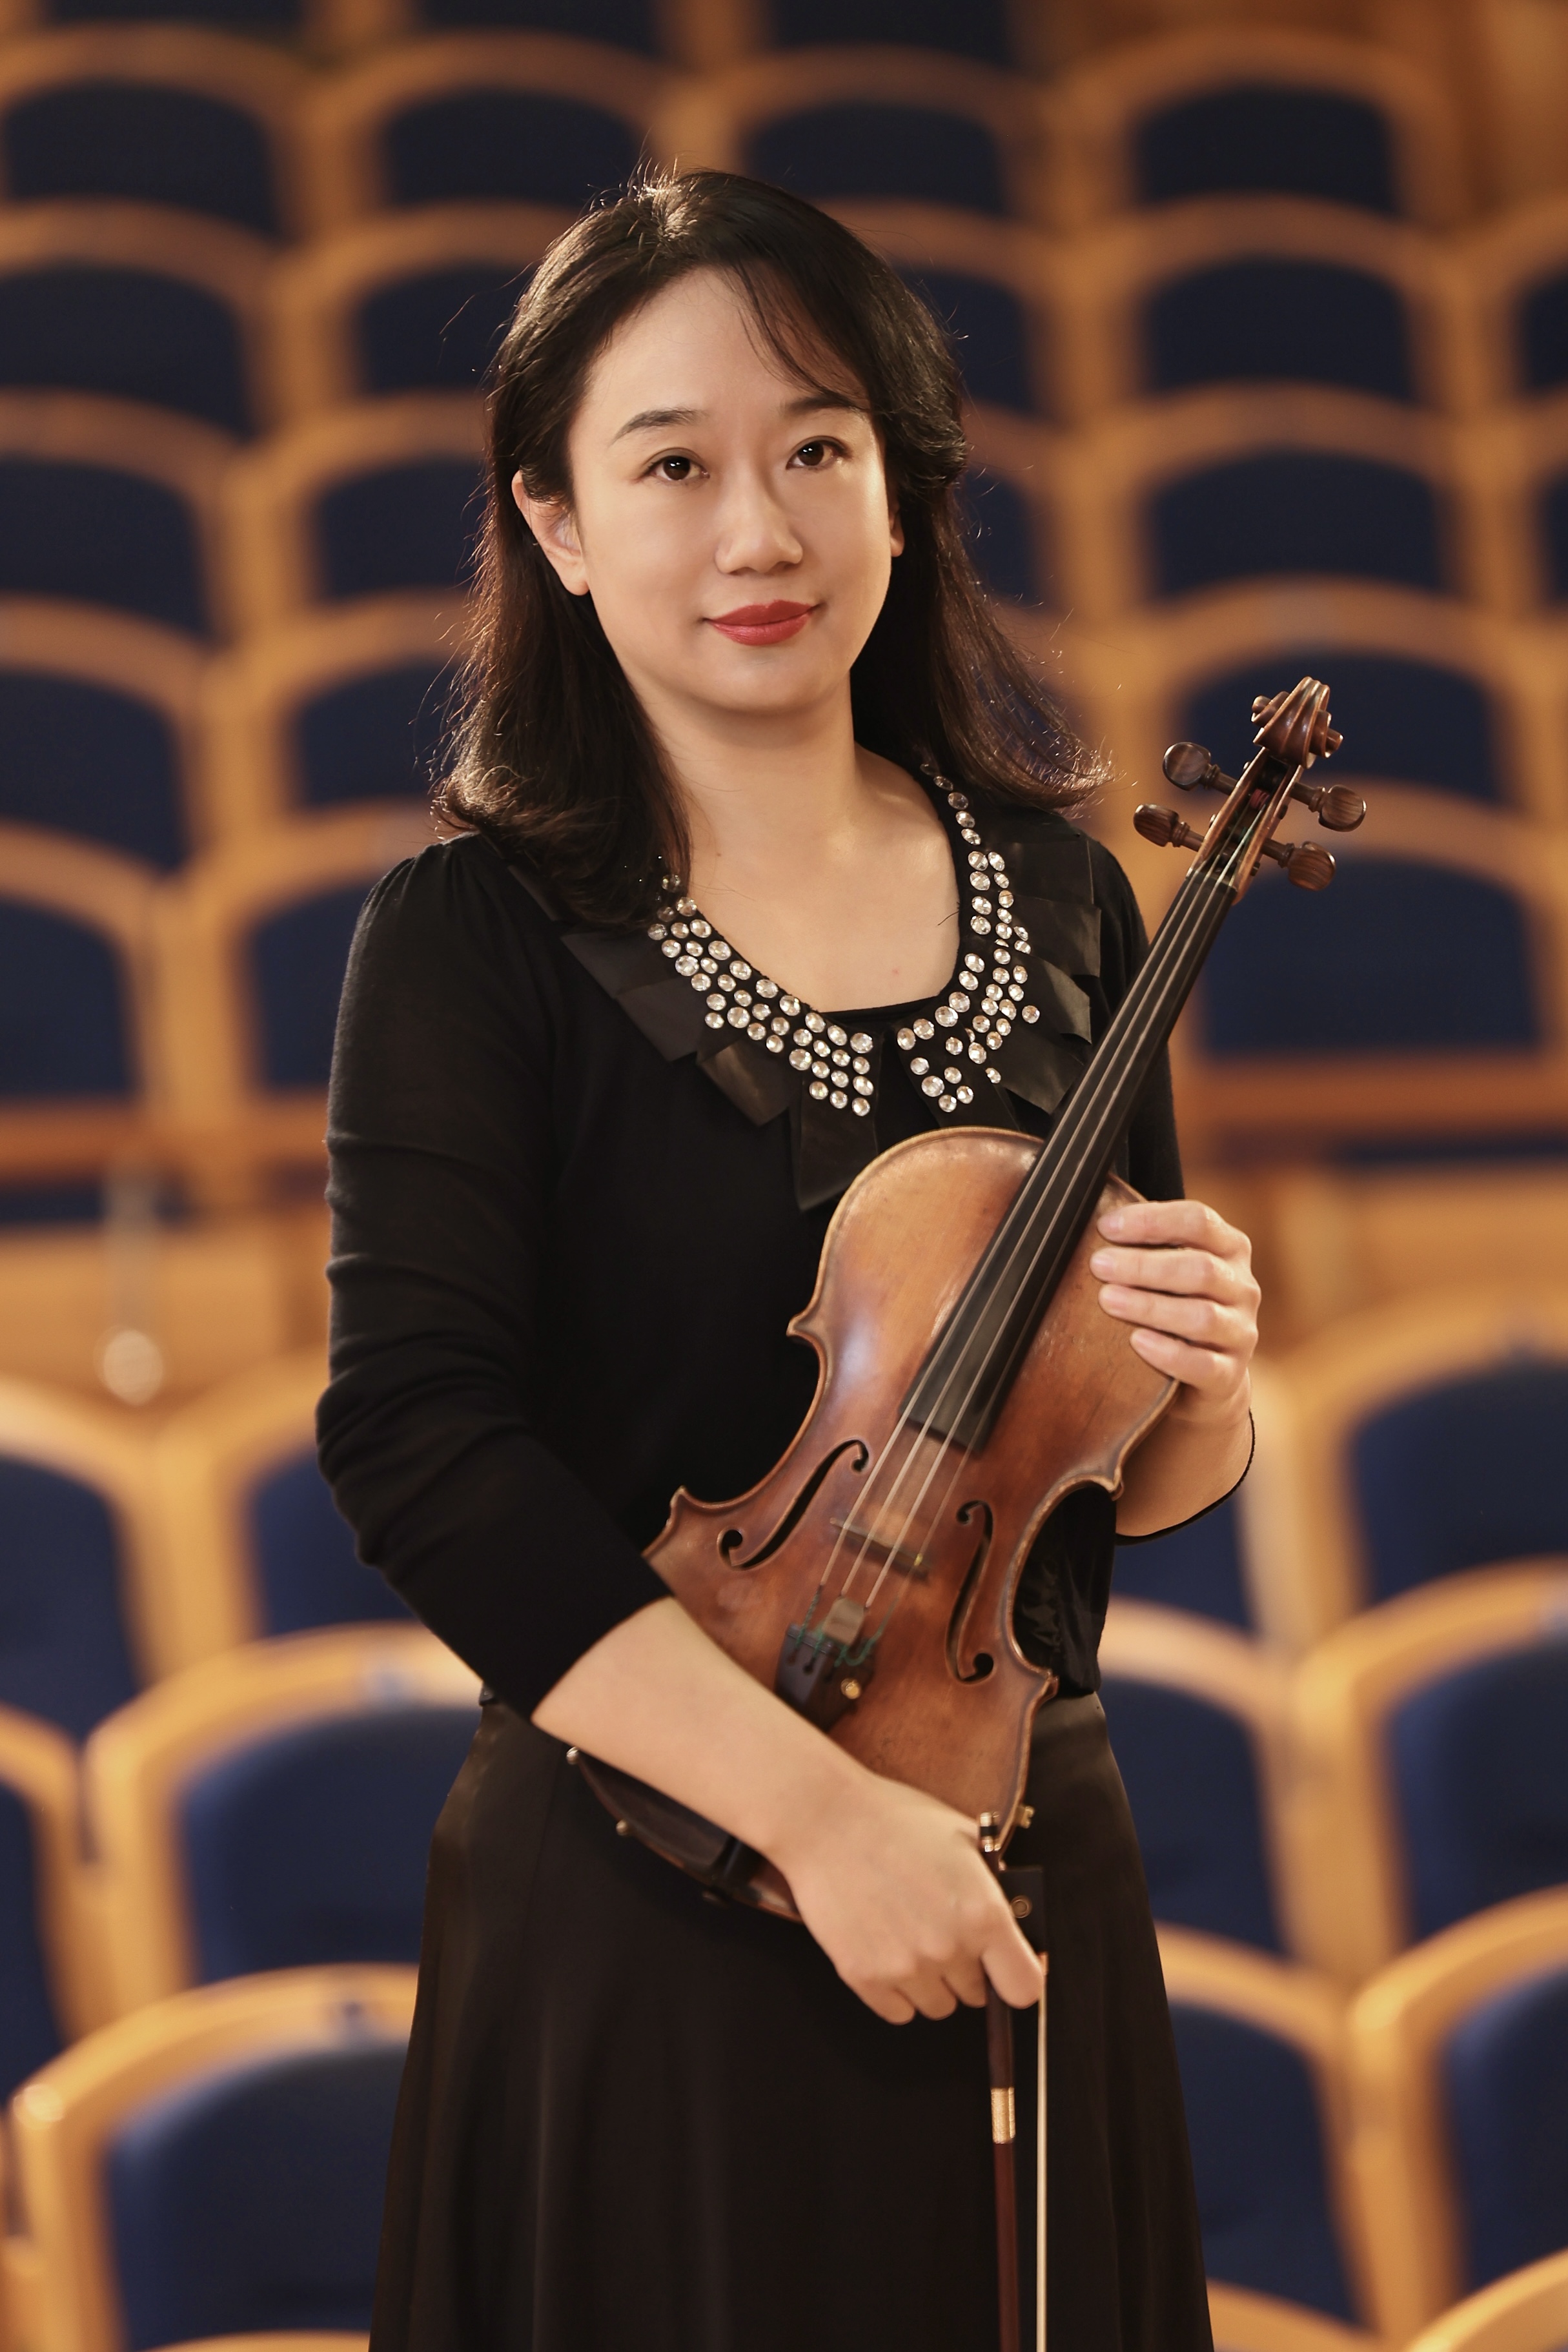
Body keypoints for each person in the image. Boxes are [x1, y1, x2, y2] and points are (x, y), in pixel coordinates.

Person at [317, 168, 1259, 2352]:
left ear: (902, 490)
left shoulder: (1071, 897)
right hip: (645, 1877)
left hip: (1014, 1856)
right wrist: (822, 1823)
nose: (761, 529)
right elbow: (420, 1447)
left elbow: (1118, 1489)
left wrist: (1209, 1380)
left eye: (820, 449)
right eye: (674, 466)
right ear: (557, 520)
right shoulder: (472, 937)